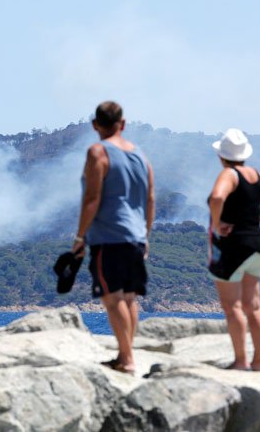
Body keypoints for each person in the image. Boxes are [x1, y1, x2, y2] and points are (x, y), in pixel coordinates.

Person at [73, 101, 155, 374]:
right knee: (129, 297)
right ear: (123, 123)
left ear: (95, 125)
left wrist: (80, 235)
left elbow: (93, 197)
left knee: (112, 297)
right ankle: (124, 354)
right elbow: (150, 197)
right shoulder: (141, 155)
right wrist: (146, 234)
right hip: (135, 236)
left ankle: (127, 359)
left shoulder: (98, 152)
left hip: (109, 236)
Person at [208, 128, 260, 371]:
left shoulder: (229, 174)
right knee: (254, 305)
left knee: (233, 307)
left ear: (222, 156)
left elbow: (218, 198)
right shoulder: (255, 175)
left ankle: (241, 361)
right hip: (256, 245)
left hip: (232, 246)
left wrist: (218, 224)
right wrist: (257, 219)